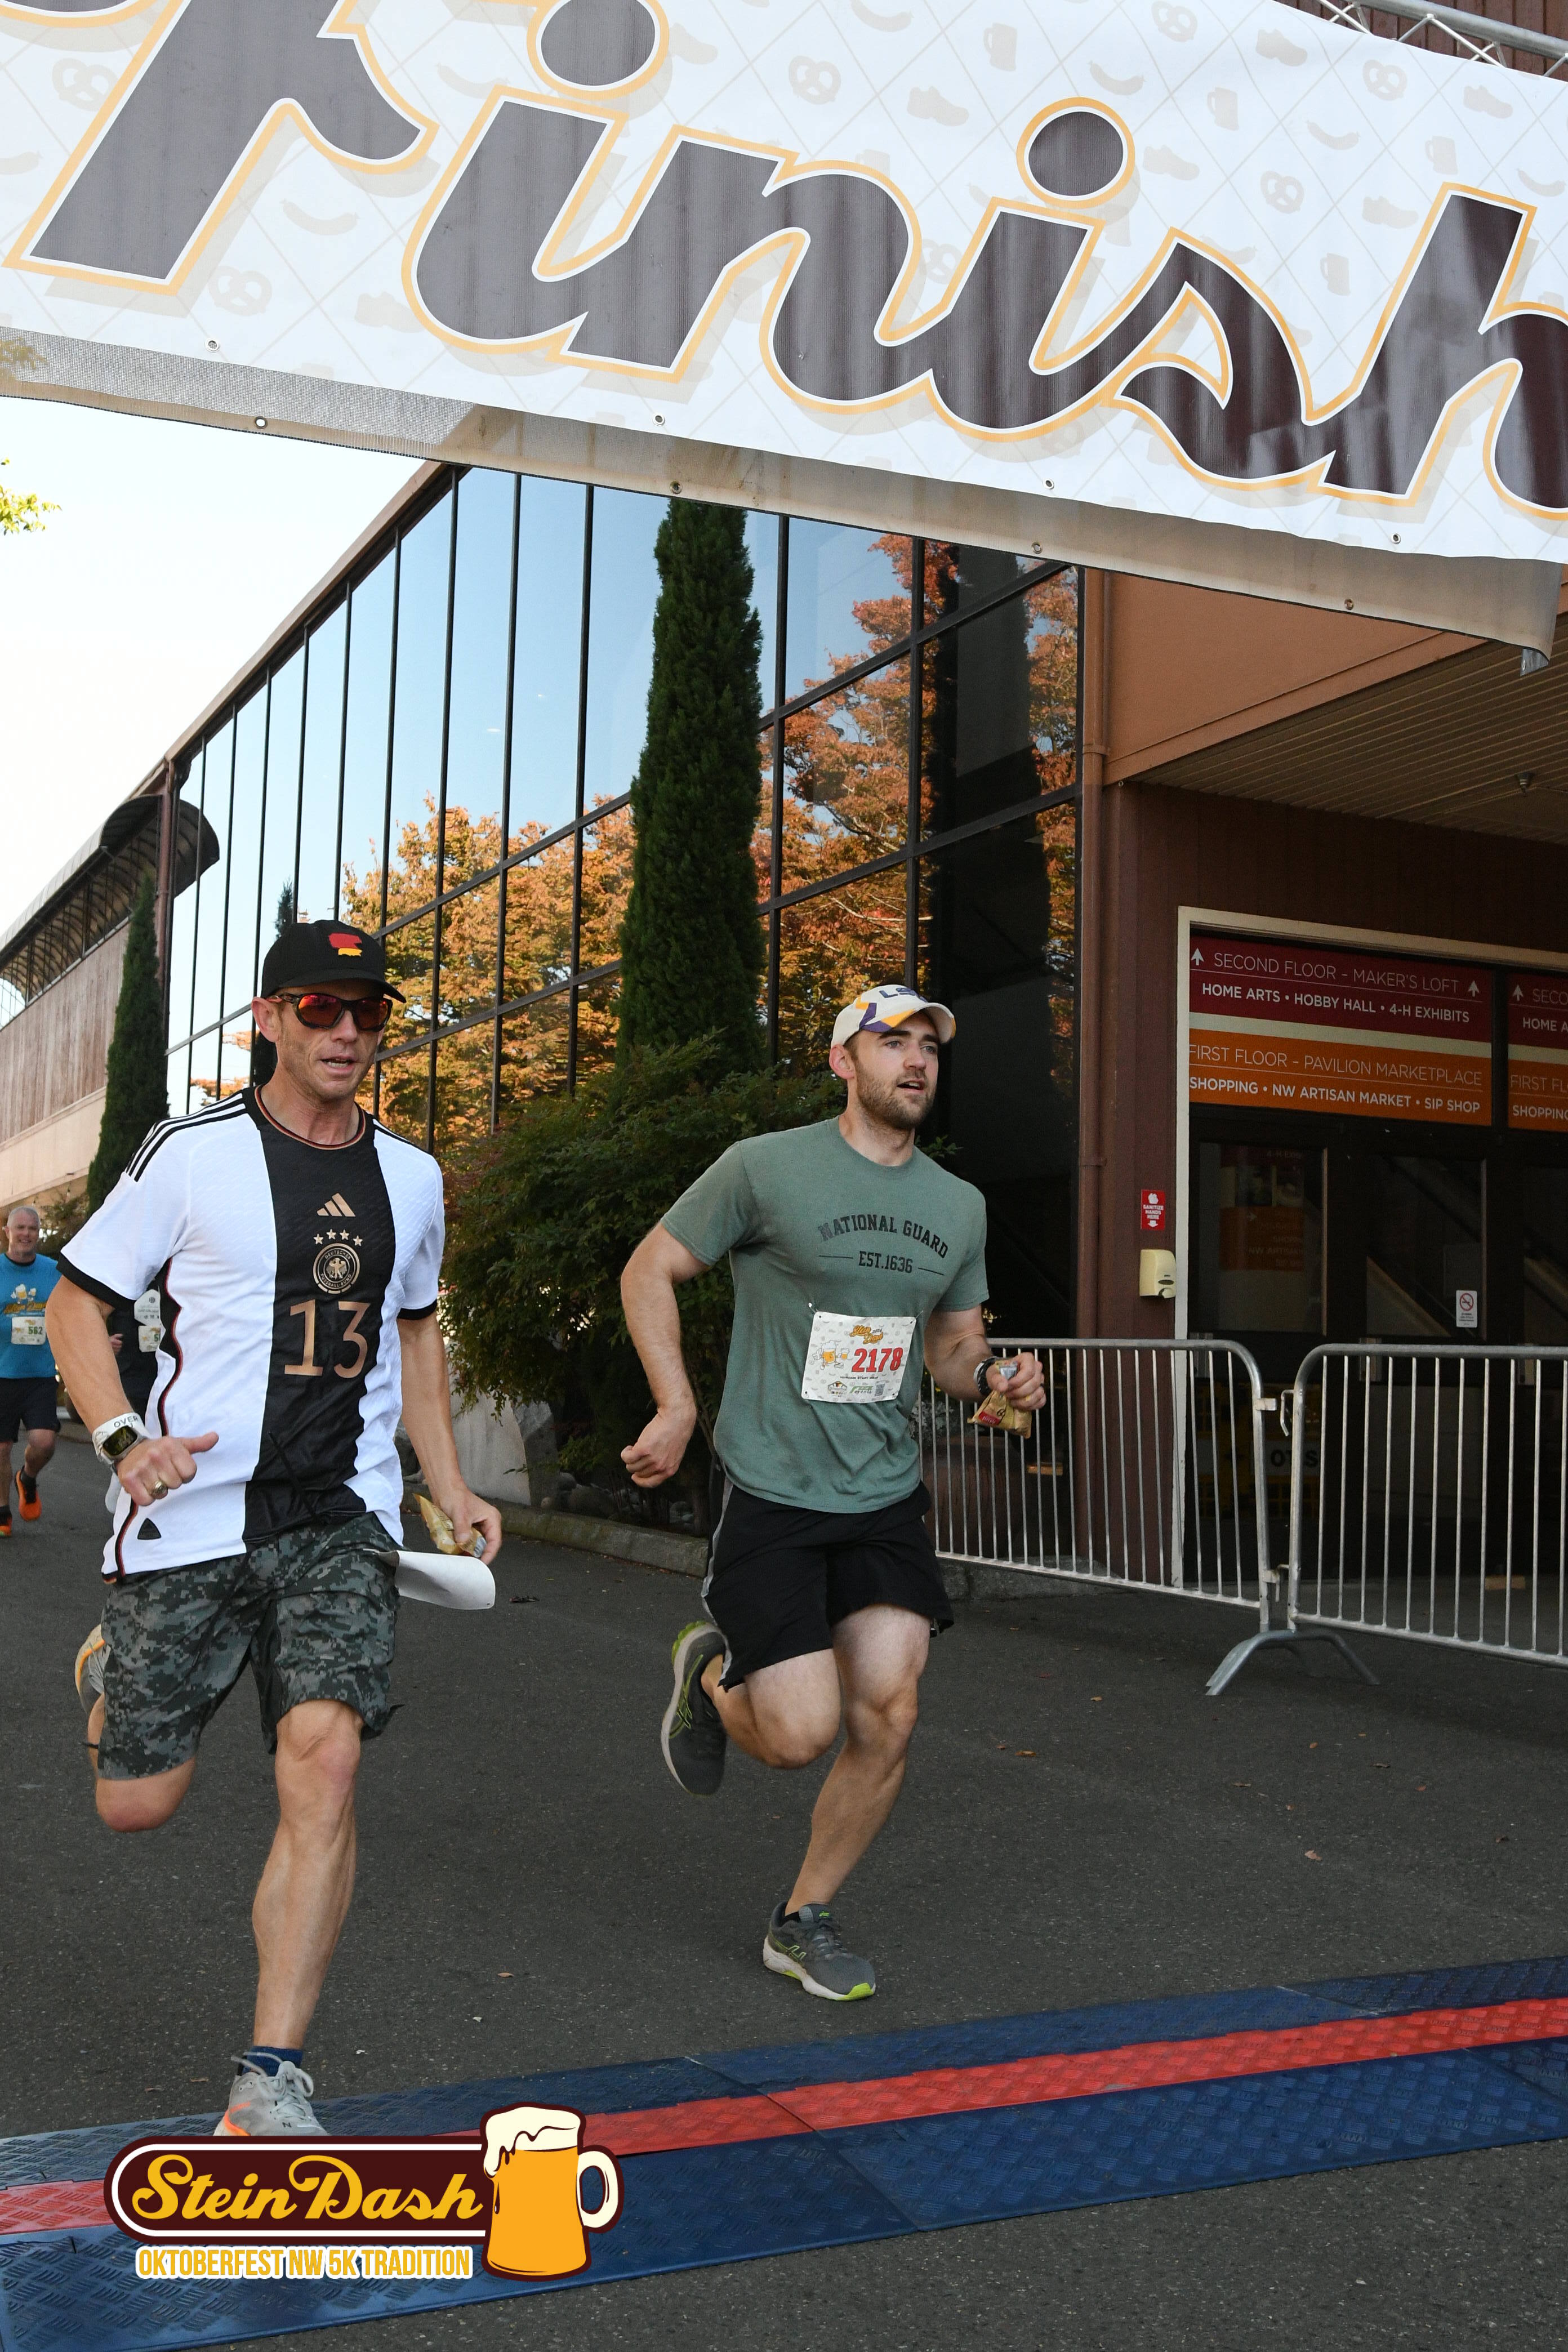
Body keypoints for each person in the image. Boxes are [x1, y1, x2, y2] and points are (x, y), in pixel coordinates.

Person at [46, 920, 500, 2137]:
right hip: (190, 1510)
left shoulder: (413, 1177)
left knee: (327, 1763)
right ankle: (113, 1668)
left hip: (340, 1514)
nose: (346, 1030)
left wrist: (447, 1483)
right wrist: (120, 1437)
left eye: (368, 1010)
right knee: (136, 1805)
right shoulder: (189, 1155)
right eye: (318, 1008)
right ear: (268, 1018)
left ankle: (270, 2077)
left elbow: (415, 1327)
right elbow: (77, 1304)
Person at [621, 983, 1046, 2002]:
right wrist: (675, 1404)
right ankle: (710, 1674)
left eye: (928, 1046)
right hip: (772, 1483)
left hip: (882, 1490)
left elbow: (951, 1346)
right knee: (797, 1737)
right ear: (842, 1061)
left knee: (889, 1710)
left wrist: (995, 1375)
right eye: (891, 1041)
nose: (916, 1060)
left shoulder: (957, 1205)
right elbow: (648, 1271)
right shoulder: (764, 1168)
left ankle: (801, 1918)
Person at [0, 1202, 61, 1536]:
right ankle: (2, 1510)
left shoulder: (54, 1271)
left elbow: (71, 1313)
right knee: (1, 1448)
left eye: (32, 1229)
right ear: (7, 1232)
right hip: (2, 1374)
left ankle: (27, 1477)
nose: (26, 1234)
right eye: (20, 1228)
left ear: (39, 1233)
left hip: (40, 1375)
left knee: (44, 1442)